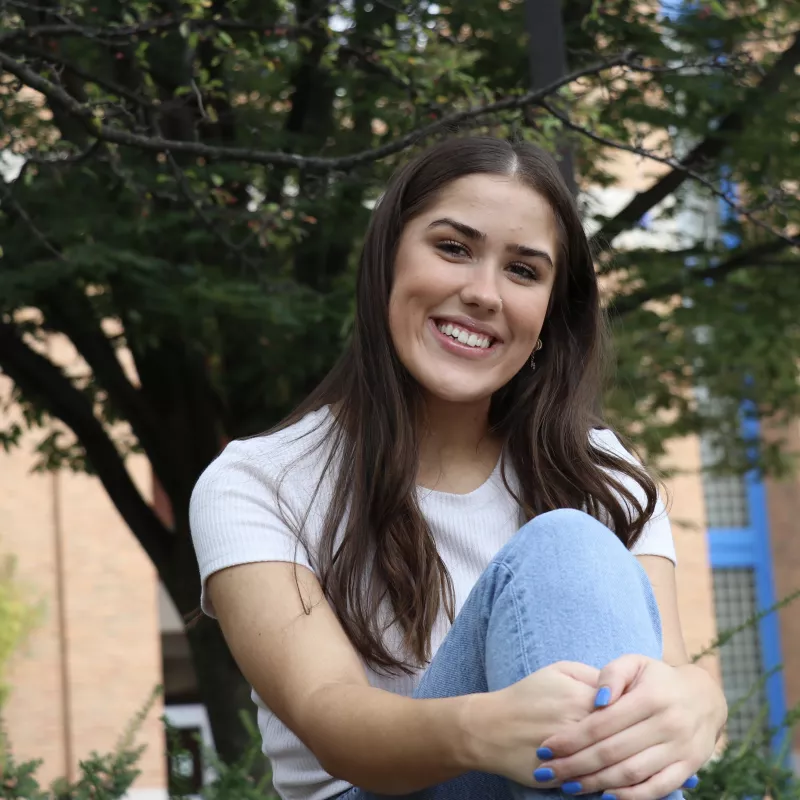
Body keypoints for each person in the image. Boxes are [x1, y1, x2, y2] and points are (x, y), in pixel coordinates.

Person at [189, 136, 727, 800]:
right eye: (453, 248)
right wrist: (485, 729)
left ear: (549, 315)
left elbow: (665, 674)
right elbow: (330, 716)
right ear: (387, 260)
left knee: (573, 547)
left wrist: (700, 703)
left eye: (523, 271)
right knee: (566, 545)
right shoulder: (259, 483)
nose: (483, 293)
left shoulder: (601, 472)